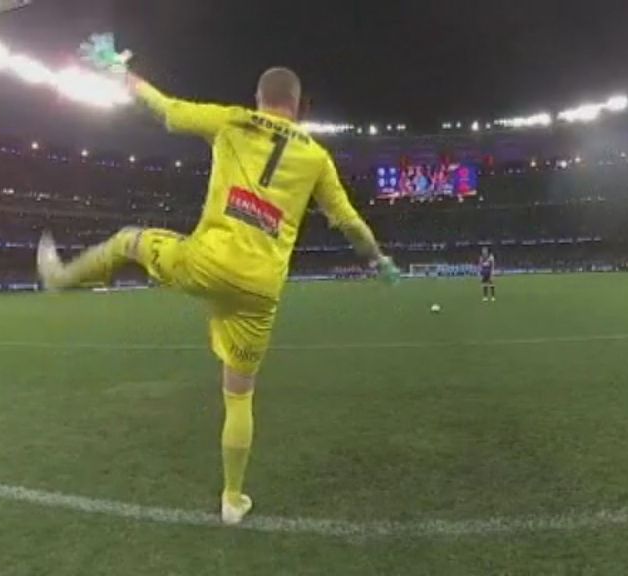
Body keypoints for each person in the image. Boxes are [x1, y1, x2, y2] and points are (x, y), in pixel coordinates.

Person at [36, 62, 398, 525]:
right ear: (298, 106)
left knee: (129, 240)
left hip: (207, 262)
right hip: (261, 288)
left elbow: (165, 110)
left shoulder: (232, 120)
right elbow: (350, 223)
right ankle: (232, 498)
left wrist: (121, 74)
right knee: (240, 396)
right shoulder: (317, 158)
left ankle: (61, 279)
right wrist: (379, 260)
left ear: (259, 97)